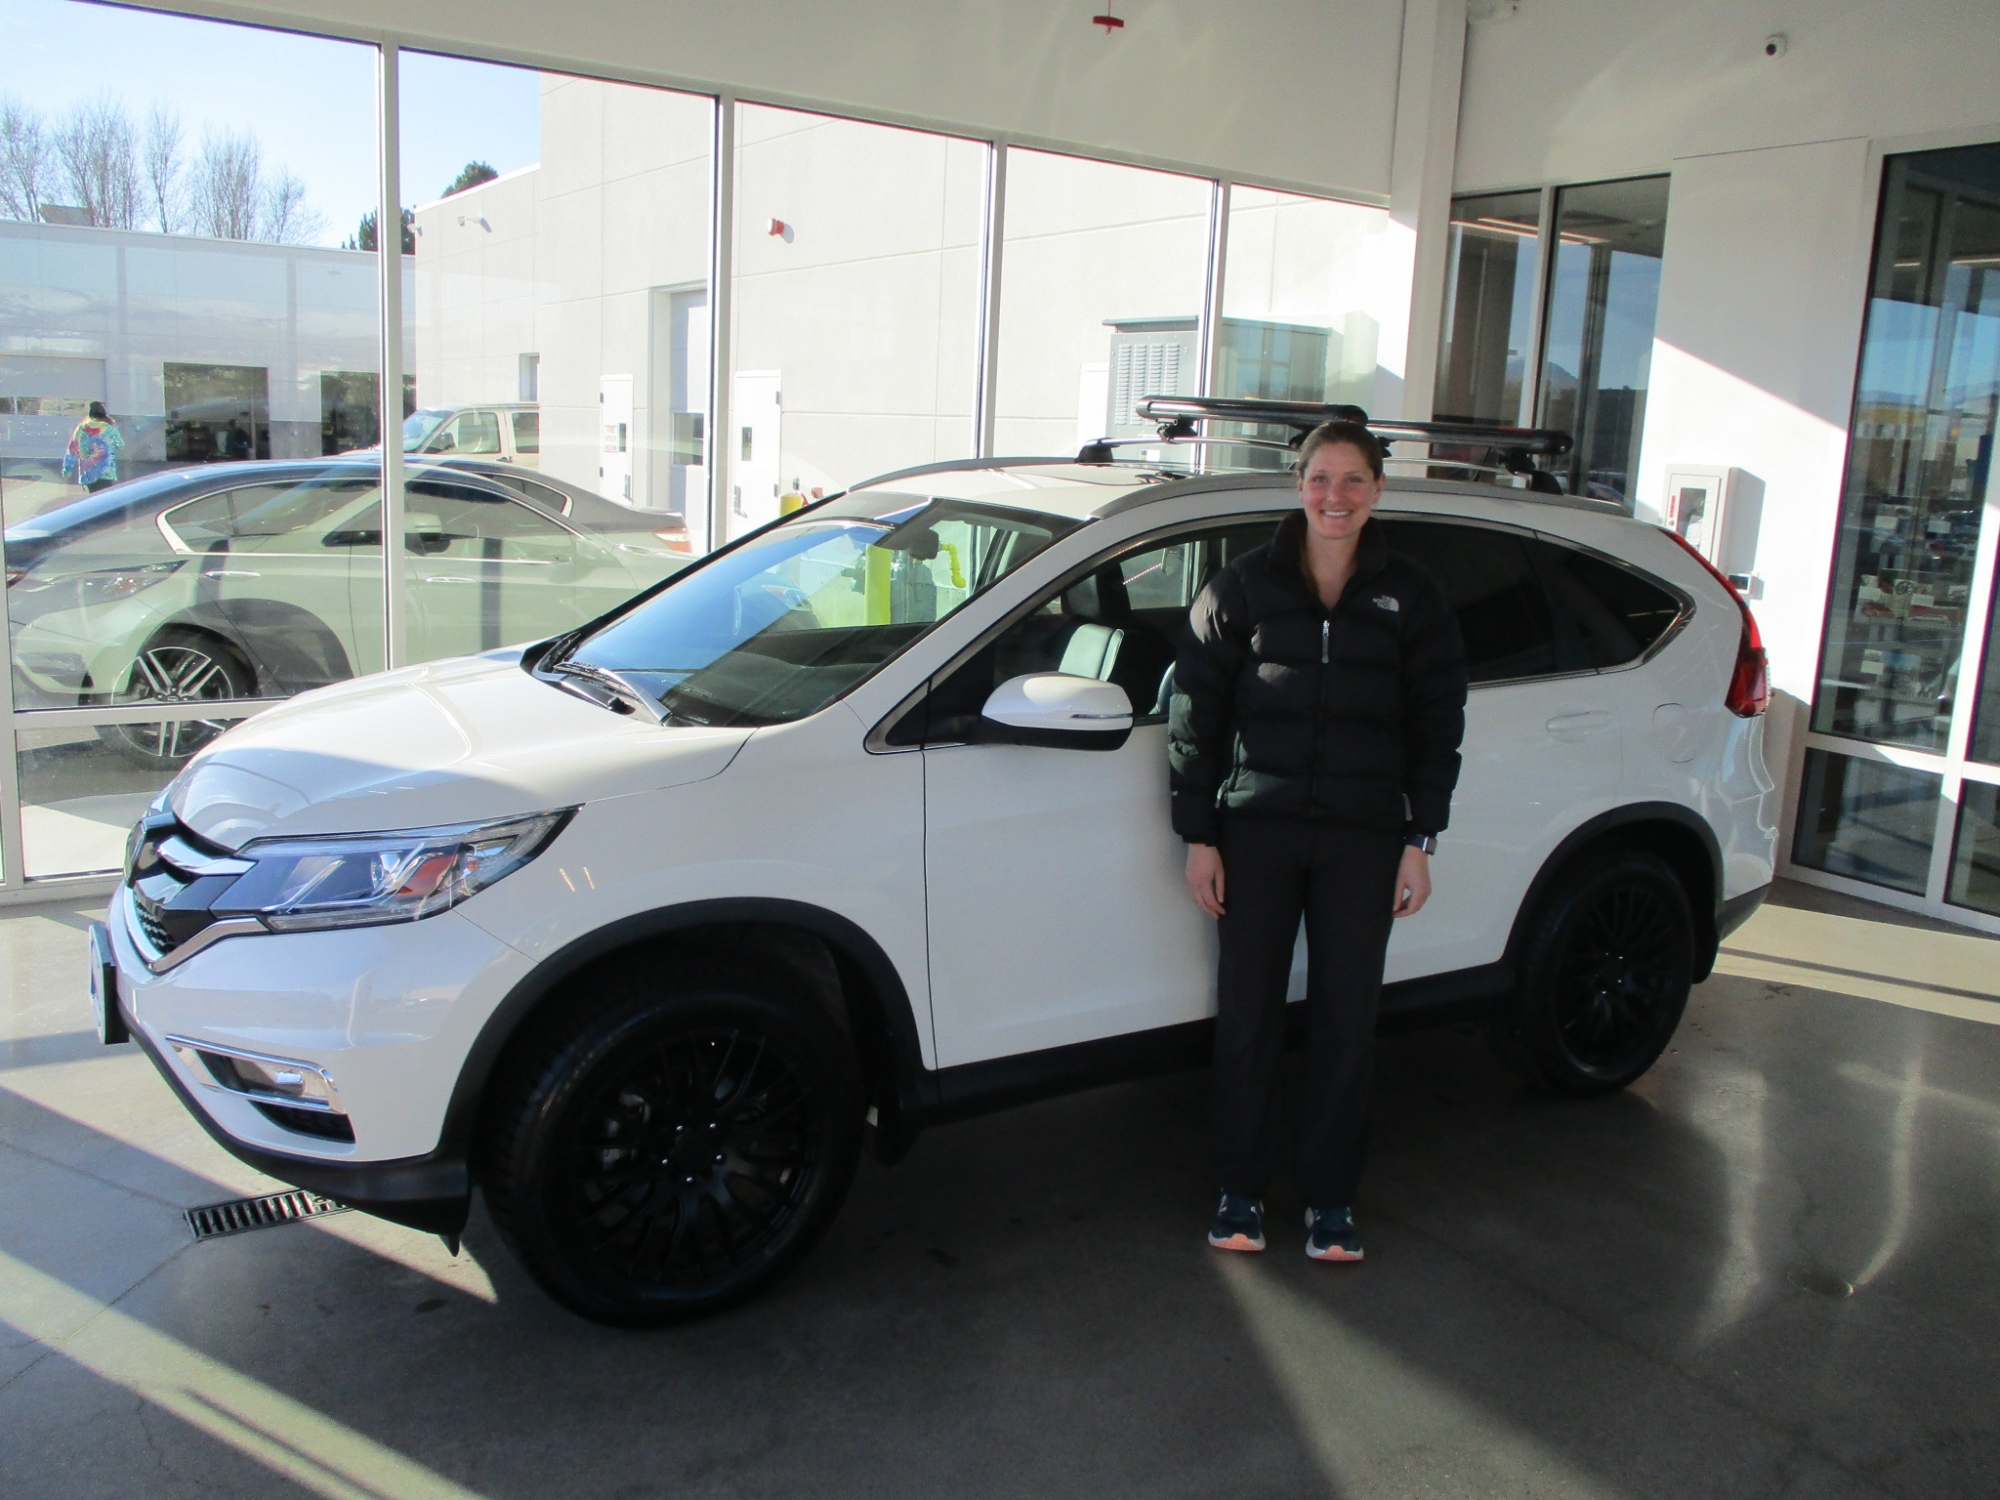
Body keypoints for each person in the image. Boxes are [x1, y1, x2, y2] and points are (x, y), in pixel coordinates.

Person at [1167, 419, 1466, 1262]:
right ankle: (1239, 1191)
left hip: (1363, 839)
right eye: (1321, 479)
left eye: (1353, 480)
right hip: (1255, 832)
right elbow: (1195, 716)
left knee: (1346, 1020)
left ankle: (1330, 1200)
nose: (1336, 496)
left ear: (1378, 489)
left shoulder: (1411, 595)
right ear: (1298, 486)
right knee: (1248, 1017)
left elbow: (1438, 724)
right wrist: (1200, 837)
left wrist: (1421, 839)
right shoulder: (1241, 588)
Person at [62, 402, 125, 492]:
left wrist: (67, 471)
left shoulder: (82, 428)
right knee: (105, 497)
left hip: (88, 474)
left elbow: (72, 450)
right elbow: (120, 444)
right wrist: (109, 445)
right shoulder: (110, 429)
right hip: (106, 472)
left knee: (93, 496)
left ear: (90, 413)